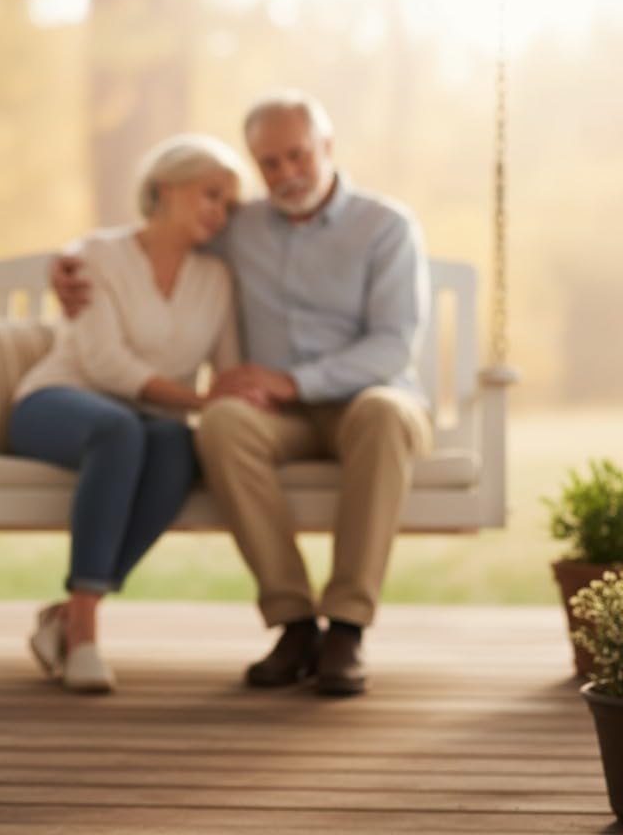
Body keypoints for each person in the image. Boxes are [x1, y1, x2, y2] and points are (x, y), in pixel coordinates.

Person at [53, 91, 432, 696]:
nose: (286, 174)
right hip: (278, 416)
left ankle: (347, 630)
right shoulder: (240, 227)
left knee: (384, 413)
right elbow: (155, 232)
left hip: (371, 401)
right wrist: (70, 258)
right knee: (224, 422)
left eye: (298, 156)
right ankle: (296, 624)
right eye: (270, 163)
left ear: (327, 148)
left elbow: (392, 347)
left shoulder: (386, 227)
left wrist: (293, 380)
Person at [9, 134, 245, 693]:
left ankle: (67, 617)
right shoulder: (94, 255)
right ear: (165, 188)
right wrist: (200, 400)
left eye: (229, 205)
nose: (220, 213)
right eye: (210, 195)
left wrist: (236, 395)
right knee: (121, 430)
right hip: (57, 402)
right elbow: (103, 363)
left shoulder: (217, 279)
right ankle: (86, 634)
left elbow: (229, 365)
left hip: (145, 424)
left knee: (177, 448)